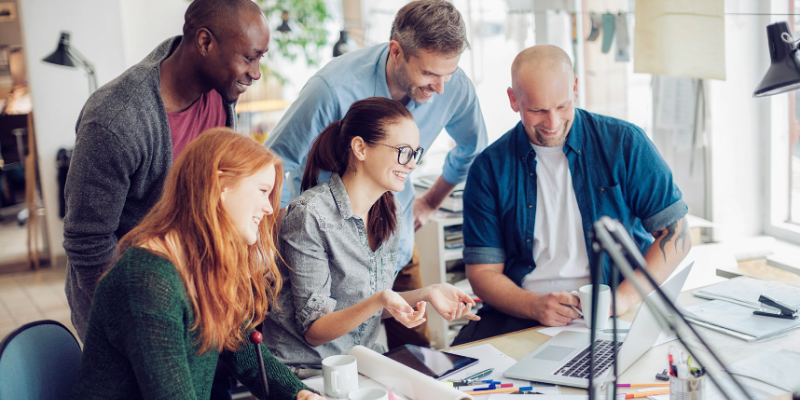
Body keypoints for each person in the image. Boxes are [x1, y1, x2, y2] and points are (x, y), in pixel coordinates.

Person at [264, 0, 487, 349]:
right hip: (325, 245)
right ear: (396, 51)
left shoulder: (451, 84)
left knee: (416, 361)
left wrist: (429, 202)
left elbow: (472, 148)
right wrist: (276, 242)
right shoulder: (333, 87)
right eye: (429, 74)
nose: (441, 88)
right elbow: (277, 160)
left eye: (449, 74)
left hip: (389, 237)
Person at [452, 45, 691, 346]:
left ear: (575, 87)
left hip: (617, 312)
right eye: (537, 110)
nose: (552, 123)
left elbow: (677, 233)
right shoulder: (488, 169)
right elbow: (483, 272)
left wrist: (622, 300)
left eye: (562, 106)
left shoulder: (624, 143)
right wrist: (533, 306)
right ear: (514, 100)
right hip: (522, 317)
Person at [63, 0, 269, 341]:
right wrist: (136, 319)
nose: (256, 72)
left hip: (196, 295)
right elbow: (88, 242)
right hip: (130, 307)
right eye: (249, 57)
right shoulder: (116, 121)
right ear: (205, 43)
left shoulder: (220, 95)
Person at [69, 129, 323, 400]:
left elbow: (244, 351)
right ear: (220, 185)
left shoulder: (203, 262)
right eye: (262, 191)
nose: (269, 208)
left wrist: (299, 394)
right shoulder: (147, 281)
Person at [264, 98, 479, 369]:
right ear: (360, 148)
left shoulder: (391, 213)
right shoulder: (309, 216)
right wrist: (379, 300)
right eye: (403, 151)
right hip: (307, 372)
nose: (411, 164)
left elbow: (371, 307)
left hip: (361, 365)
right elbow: (315, 330)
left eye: (415, 153)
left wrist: (428, 293)